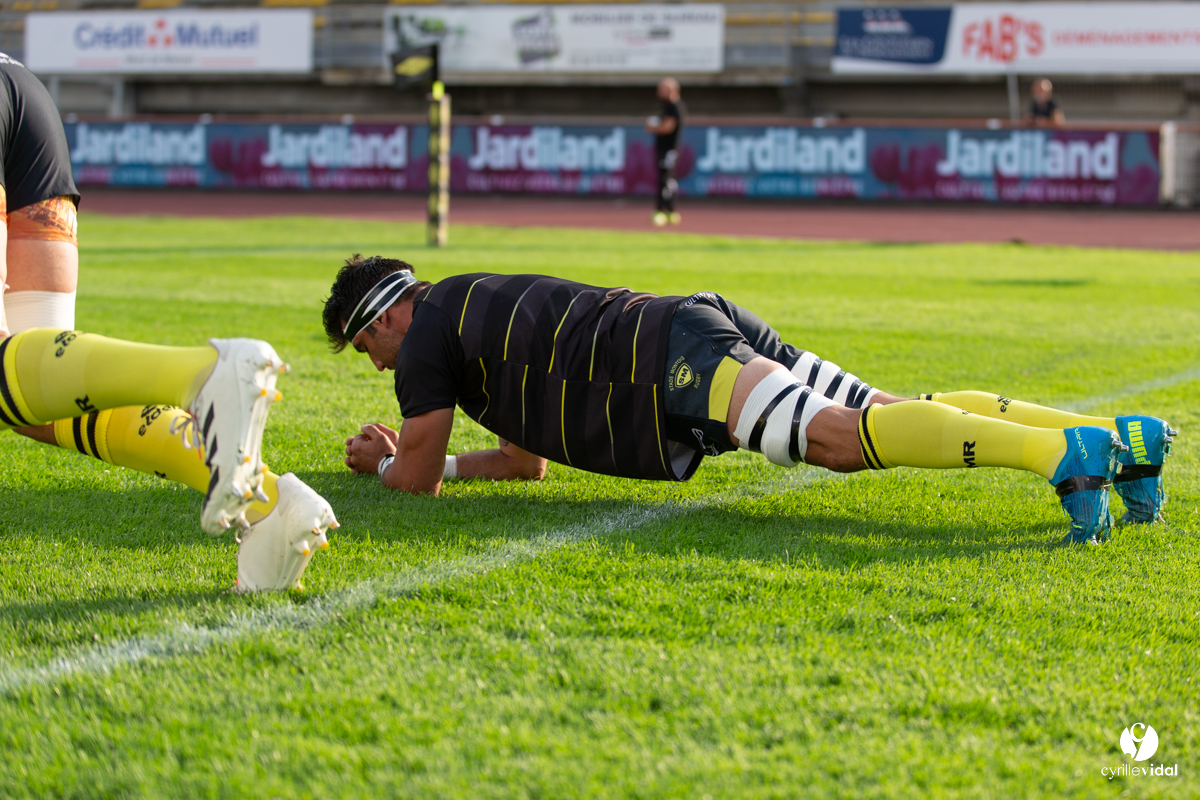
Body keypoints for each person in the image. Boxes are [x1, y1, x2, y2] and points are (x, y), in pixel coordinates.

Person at [330, 256, 1176, 545]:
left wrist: (383, 464)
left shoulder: (430, 337)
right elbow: (525, 463)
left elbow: (417, 486)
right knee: (885, 405)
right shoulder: (472, 314)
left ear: (388, 313)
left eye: (368, 344)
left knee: (842, 440)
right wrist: (440, 459)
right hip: (686, 324)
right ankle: (1117, 437)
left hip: (667, 362)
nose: (377, 368)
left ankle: (1055, 458)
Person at [0, 52, 336, 591]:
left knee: (13, 377)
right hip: (25, 93)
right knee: (34, 396)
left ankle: (205, 373)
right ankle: (270, 504)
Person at [644, 77, 684, 227]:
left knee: (666, 179)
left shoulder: (674, 107)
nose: (659, 92)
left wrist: (652, 128)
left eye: (663, 89)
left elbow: (667, 127)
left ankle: (663, 210)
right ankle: (670, 211)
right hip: (663, 149)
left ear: (672, 90)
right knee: (666, 179)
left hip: (669, 149)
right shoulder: (665, 107)